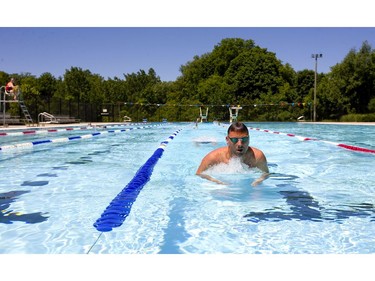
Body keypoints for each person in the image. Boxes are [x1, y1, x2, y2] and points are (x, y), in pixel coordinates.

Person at [196, 122, 269, 187]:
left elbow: (265, 174)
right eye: (235, 140)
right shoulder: (213, 158)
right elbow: (199, 174)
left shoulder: (257, 157)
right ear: (227, 140)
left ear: (249, 139)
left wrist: (257, 182)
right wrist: (218, 182)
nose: (240, 144)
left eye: (244, 139)